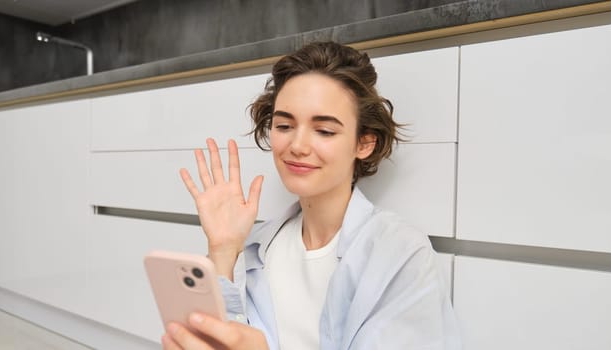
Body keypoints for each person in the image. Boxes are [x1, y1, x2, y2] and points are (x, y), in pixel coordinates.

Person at [164, 41, 460, 350]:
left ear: (364, 144)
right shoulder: (256, 246)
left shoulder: (400, 255)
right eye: (284, 125)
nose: (298, 145)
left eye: (325, 131)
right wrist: (224, 252)